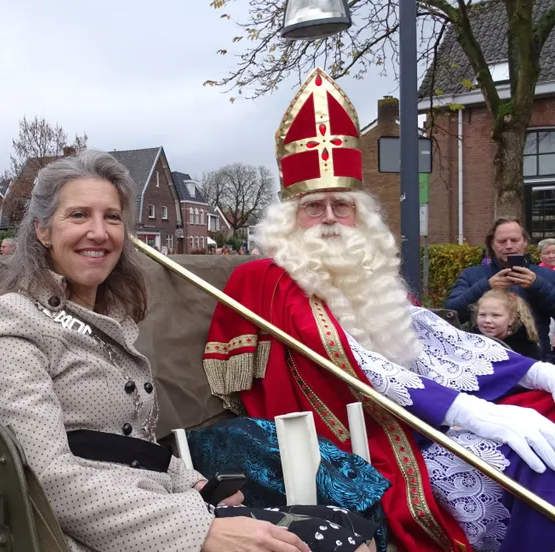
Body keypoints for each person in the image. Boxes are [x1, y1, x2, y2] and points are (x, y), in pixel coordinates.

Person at [203, 68, 555, 552]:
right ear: (289, 218)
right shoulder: (269, 274)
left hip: (415, 415)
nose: (329, 218)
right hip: (353, 438)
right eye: (314, 206)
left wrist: (534, 373)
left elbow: (430, 333)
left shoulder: (366, 271)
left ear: (359, 213)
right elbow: (340, 357)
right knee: (528, 459)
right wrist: (469, 412)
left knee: (544, 413)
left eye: (341, 206)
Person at [0, 151, 377, 552]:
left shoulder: (108, 318)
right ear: (44, 231)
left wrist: (195, 483)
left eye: (112, 217)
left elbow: (132, 442)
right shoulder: (14, 318)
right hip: (101, 534)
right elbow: (45, 477)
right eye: (78, 215)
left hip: (163, 503)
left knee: (352, 529)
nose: (99, 232)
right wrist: (201, 532)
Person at [445, 218, 555, 359]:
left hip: (534, 361)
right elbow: (451, 314)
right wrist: (486, 286)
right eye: (502, 241)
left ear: (525, 242)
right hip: (484, 359)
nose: (509, 246)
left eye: (514, 240)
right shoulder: (471, 275)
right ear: (492, 244)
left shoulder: (546, 275)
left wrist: (537, 285)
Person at [472, 290, 541, 359]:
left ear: (511, 319)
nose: (487, 320)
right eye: (482, 315)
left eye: (495, 315)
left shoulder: (526, 350)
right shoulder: (469, 342)